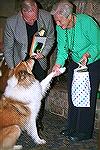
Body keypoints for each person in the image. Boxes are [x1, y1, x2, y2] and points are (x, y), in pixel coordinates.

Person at [51, 0, 100, 142]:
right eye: (56, 21)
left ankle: (84, 131)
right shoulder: (61, 27)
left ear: (70, 16)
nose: (58, 25)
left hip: (92, 63)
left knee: (86, 98)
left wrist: (88, 55)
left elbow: (98, 43)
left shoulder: (87, 22)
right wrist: (57, 64)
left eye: (60, 21)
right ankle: (72, 127)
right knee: (74, 95)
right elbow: (62, 49)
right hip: (75, 62)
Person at [3, 0, 55, 132]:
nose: (34, 21)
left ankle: (37, 121)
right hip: (20, 63)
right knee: (20, 94)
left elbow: (51, 38)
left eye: (35, 17)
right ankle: (19, 120)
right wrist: (12, 68)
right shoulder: (11, 22)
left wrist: (43, 54)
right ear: (22, 13)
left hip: (39, 60)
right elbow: (8, 48)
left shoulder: (47, 16)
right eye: (29, 20)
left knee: (38, 92)